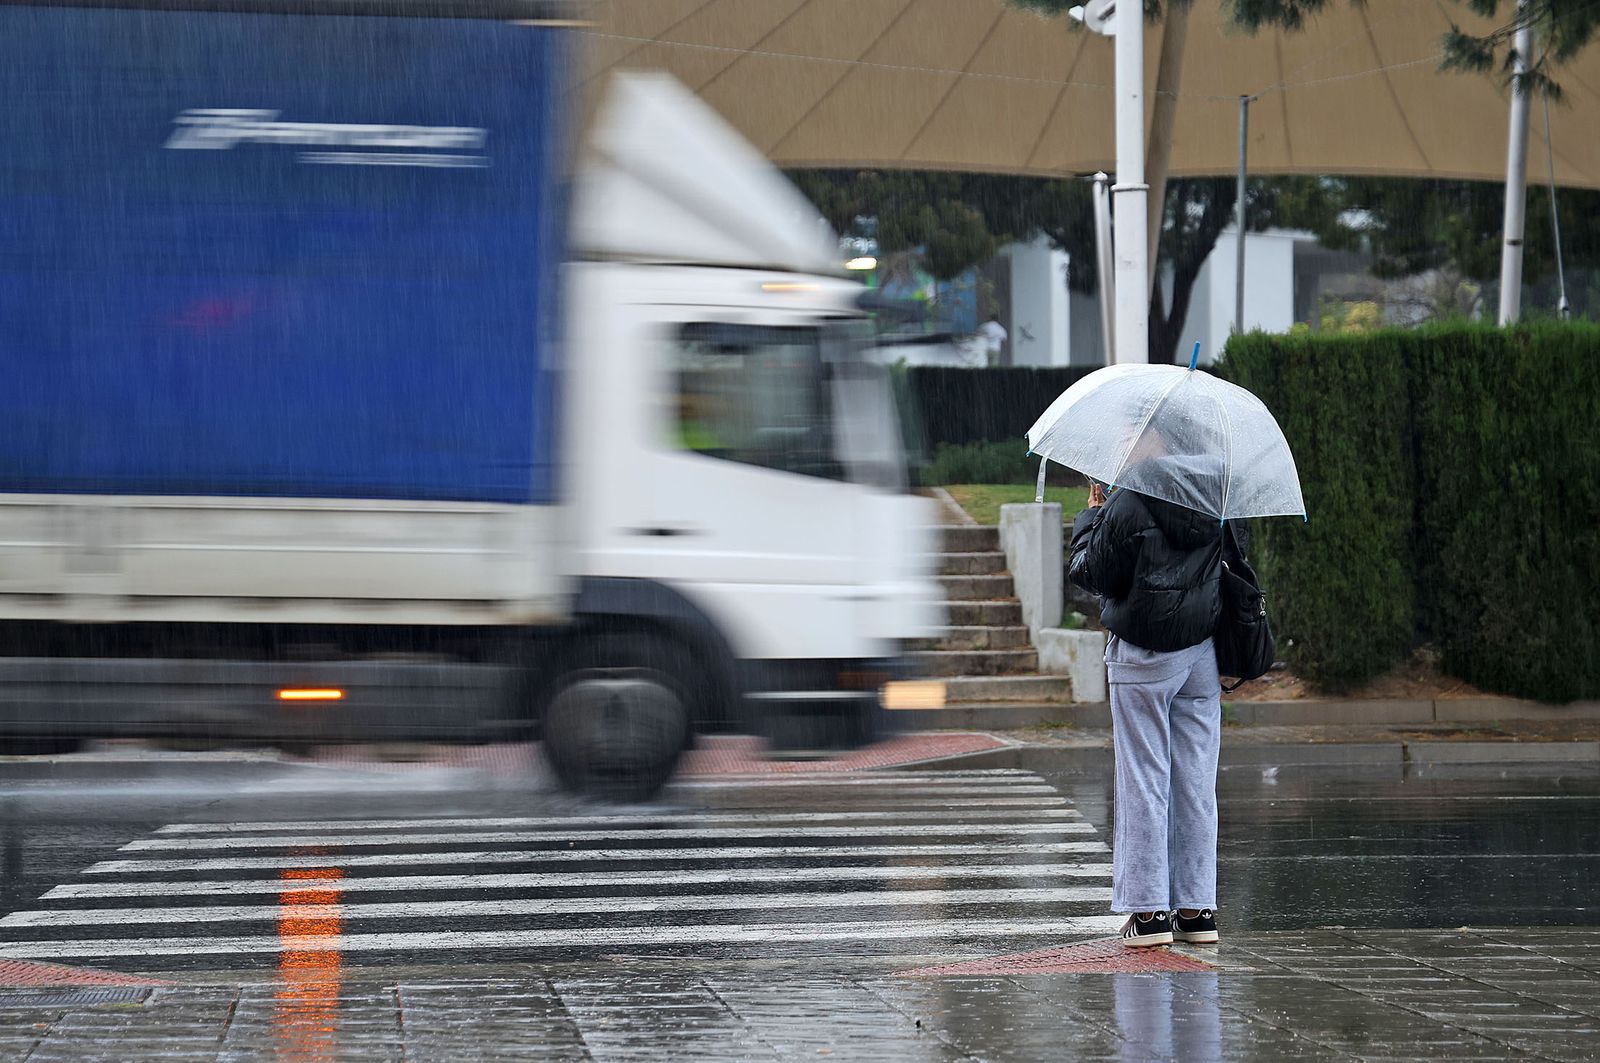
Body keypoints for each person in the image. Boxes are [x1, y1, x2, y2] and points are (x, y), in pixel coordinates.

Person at [1068, 471, 1229, 948]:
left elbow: (1093, 574)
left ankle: (1150, 913)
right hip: (1202, 651)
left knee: (1144, 779)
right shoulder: (1217, 494)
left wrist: (1092, 518)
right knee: (1197, 784)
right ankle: (1198, 911)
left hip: (1144, 650)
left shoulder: (1131, 502)